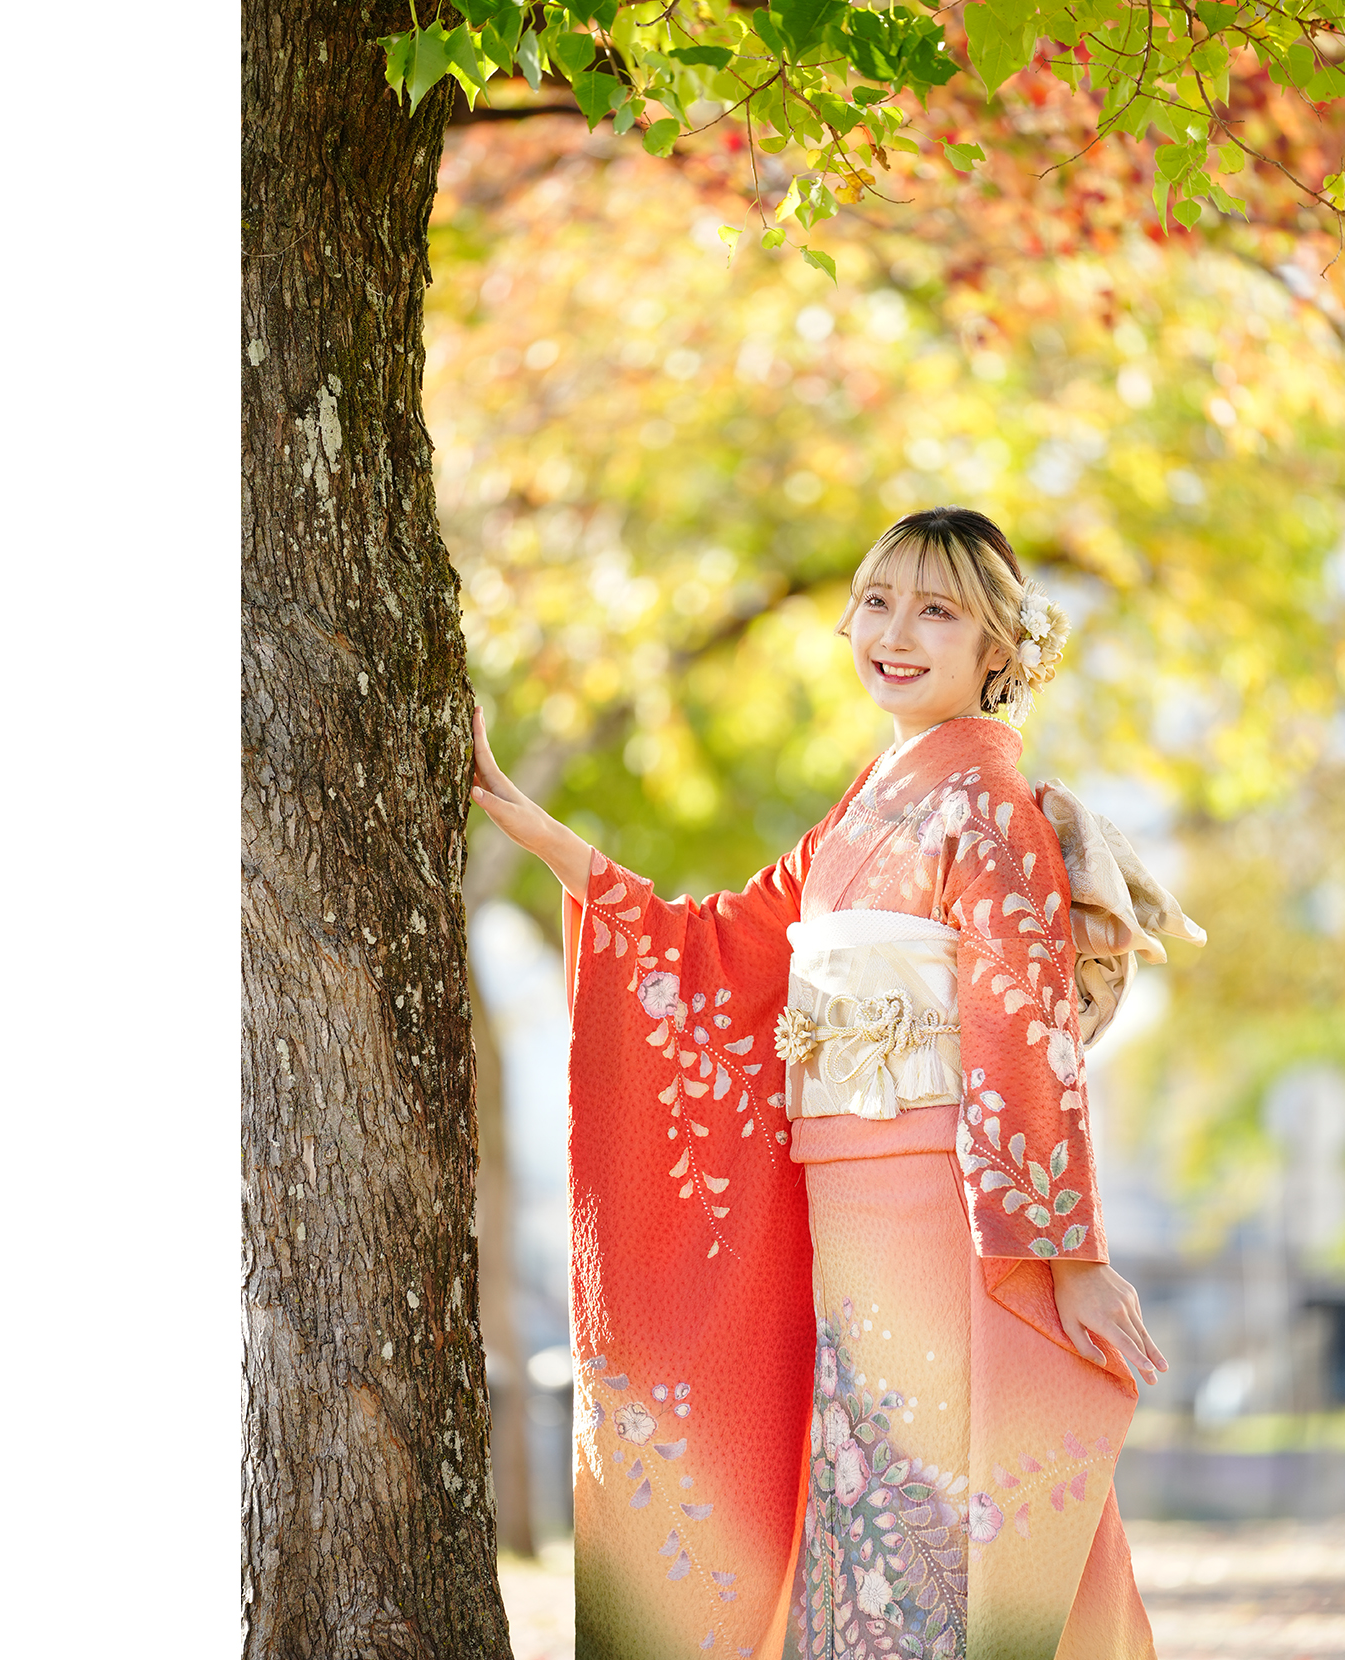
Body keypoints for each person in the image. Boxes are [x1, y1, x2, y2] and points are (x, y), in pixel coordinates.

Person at [471, 506, 1203, 1660]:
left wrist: (1069, 1254)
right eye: (875, 601)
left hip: (937, 1210)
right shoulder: (867, 804)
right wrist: (535, 828)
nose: (894, 633)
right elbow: (718, 945)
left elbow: (1021, 1035)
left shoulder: (987, 808)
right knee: (866, 1500)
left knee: (939, 1504)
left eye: (935, 610)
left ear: (997, 649)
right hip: (843, 1212)